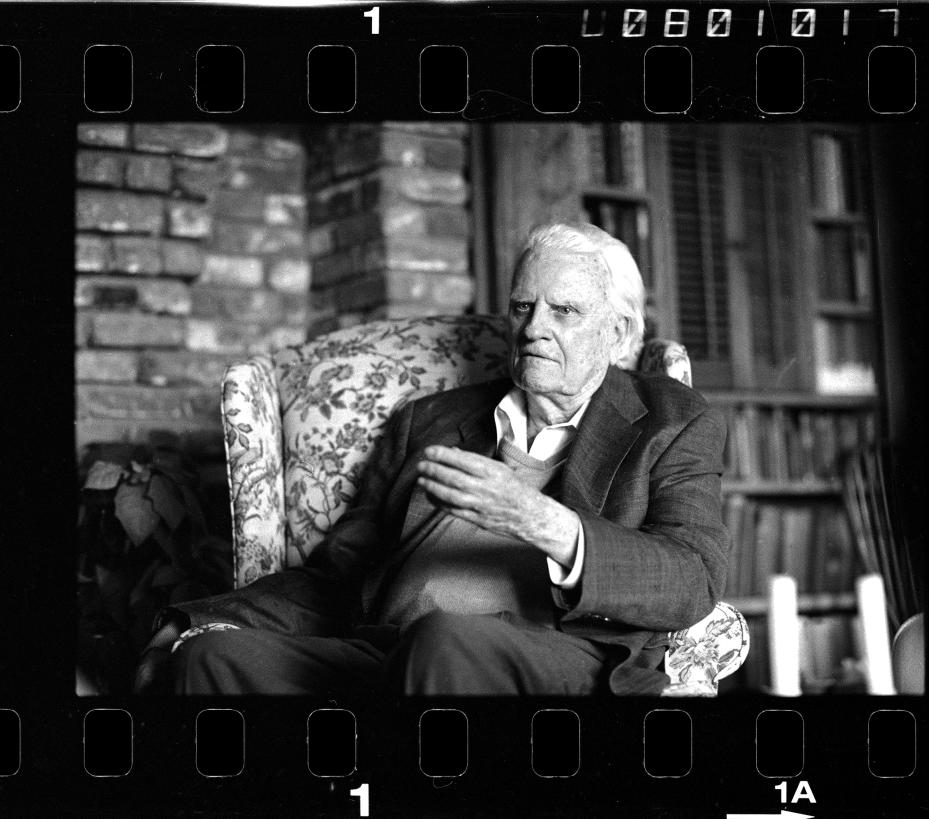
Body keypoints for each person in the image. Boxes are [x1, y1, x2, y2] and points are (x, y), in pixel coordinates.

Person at [135, 222, 728, 696]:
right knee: (213, 658)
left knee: (444, 642)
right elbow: (338, 575)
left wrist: (548, 525)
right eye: (523, 307)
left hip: (559, 654)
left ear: (618, 331)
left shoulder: (672, 419)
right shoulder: (431, 420)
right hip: (386, 650)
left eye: (564, 312)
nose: (532, 330)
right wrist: (193, 620)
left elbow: (693, 578)